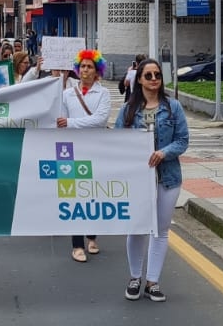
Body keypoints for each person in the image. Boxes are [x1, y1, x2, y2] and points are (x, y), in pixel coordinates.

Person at [115, 59, 189, 303]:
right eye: (148, 75)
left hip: (167, 178)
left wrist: (163, 152)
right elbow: (116, 142)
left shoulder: (173, 107)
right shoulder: (128, 110)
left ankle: (153, 281)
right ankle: (135, 277)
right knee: (137, 229)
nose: (154, 79)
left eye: (157, 74)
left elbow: (182, 140)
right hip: (137, 180)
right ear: (139, 80)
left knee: (161, 230)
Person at [60, 49, 114, 263]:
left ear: (97, 71)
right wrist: (67, 125)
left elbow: (100, 120)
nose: (85, 70)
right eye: (82, 66)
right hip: (72, 150)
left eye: (90, 67)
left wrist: (71, 124)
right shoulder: (67, 94)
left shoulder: (104, 94)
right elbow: (60, 121)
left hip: (97, 149)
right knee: (75, 195)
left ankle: (92, 236)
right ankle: (77, 244)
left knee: (94, 193)